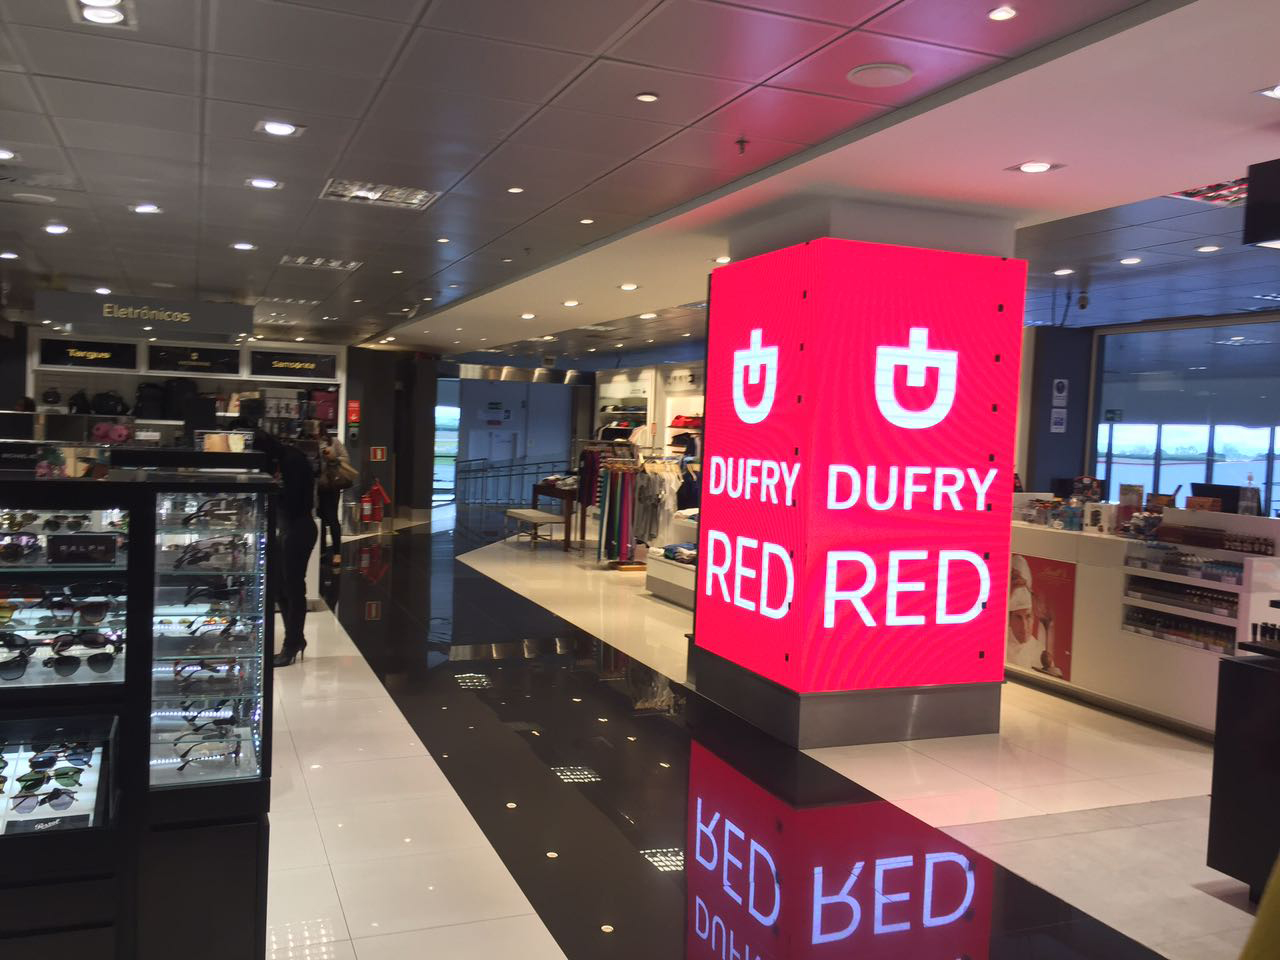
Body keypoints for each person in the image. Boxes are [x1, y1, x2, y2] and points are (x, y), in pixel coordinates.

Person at [252, 429, 317, 667]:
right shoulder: (283, 458)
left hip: (299, 529)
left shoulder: (292, 460)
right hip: (289, 528)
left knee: (293, 589)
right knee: (280, 588)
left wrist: (271, 493)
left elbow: (294, 501)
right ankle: (295, 639)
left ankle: (291, 644)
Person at [316, 427, 352, 566]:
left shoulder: (334, 442)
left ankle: (337, 552)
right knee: (319, 519)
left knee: (332, 519)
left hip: (331, 486)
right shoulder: (310, 443)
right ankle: (322, 550)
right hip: (315, 487)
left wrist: (333, 458)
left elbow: (346, 459)